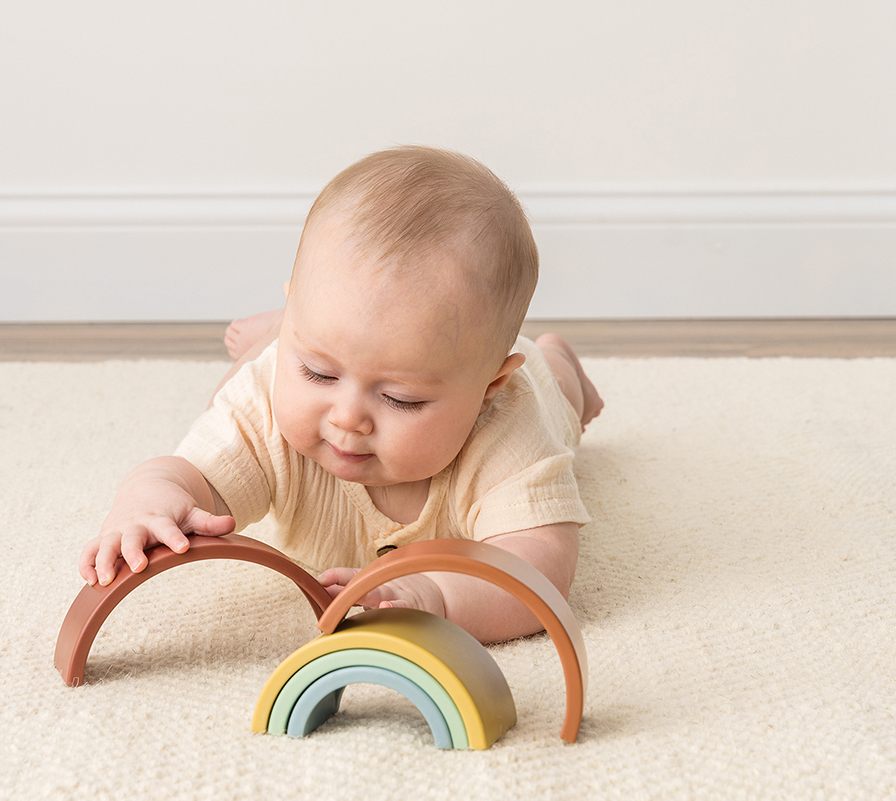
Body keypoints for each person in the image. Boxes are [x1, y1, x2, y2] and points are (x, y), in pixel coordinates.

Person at [79, 146, 603, 644]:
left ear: (489, 388)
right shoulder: (265, 404)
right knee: (232, 393)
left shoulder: (509, 427)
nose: (348, 419)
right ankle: (282, 333)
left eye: (400, 399)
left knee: (561, 400)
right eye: (319, 374)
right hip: (292, 353)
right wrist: (145, 503)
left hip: (538, 383)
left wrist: (440, 595)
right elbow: (182, 474)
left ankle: (561, 362)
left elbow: (538, 567)